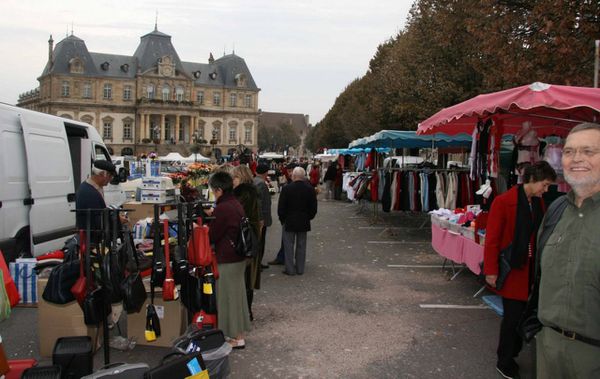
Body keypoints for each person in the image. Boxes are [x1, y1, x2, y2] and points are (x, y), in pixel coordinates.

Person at [537, 123, 600, 378]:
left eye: (589, 151)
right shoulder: (555, 210)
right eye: (569, 151)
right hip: (548, 350)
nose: (577, 159)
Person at [483, 161, 556, 379]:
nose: (545, 190)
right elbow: (493, 240)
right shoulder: (503, 202)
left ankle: (512, 353)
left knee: (523, 316)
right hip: (513, 270)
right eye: (544, 185)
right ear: (532, 180)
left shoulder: (537, 203)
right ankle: (504, 360)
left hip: (532, 271)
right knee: (512, 318)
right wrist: (491, 271)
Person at [207, 171, 250, 349]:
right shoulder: (234, 203)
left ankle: (234, 337)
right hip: (238, 256)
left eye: (213, 191)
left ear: (219, 190)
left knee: (228, 298)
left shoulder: (223, 208)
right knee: (237, 296)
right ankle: (239, 334)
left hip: (228, 257)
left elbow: (213, 235)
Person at [232, 165, 262, 322]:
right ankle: (246, 311)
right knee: (247, 277)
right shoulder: (248, 192)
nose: (232, 181)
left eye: (234, 177)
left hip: (246, 238)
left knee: (245, 277)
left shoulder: (244, 193)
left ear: (241, 177)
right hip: (250, 236)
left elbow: (237, 214)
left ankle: (245, 312)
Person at [278, 167, 318, 275]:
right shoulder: (310, 189)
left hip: (289, 220)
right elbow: (313, 207)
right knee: (301, 245)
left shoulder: (286, 188)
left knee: (288, 246)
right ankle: (300, 268)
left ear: (293, 176)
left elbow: (281, 207)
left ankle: (290, 269)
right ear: (304, 177)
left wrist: (282, 219)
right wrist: (308, 217)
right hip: (303, 220)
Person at [75, 160, 124, 241]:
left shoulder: (91, 187)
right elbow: (97, 221)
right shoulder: (89, 193)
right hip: (91, 238)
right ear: (102, 174)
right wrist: (118, 221)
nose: (110, 179)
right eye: (110, 176)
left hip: (92, 235)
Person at [253, 163, 272, 270]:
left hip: (259, 217)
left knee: (259, 241)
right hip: (261, 218)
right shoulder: (260, 183)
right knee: (260, 241)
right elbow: (259, 202)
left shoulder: (255, 181)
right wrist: (261, 218)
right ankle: (257, 264)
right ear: (266, 172)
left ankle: (257, 263)